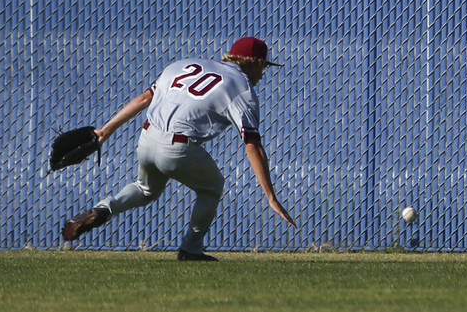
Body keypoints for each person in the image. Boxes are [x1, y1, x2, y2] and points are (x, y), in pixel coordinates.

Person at [62, 36, 297, 260]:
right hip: (178, 148)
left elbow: (144, 99)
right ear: (253, 63)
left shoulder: (185, 64)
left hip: (147, 136)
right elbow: (252, 145)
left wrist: (105, 131)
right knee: (212, 187)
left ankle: (102, 209)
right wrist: (270, 196)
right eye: (263, 67)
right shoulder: (242, 87)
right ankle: (190, 249)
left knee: (146, 189)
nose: (262, 75)